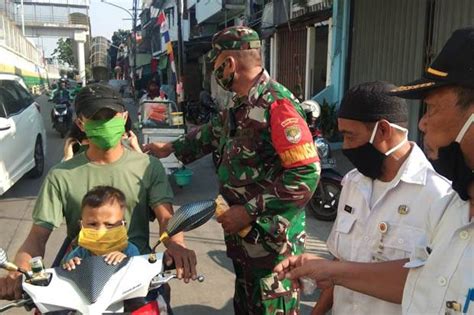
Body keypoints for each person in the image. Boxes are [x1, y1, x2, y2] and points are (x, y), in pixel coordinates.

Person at [274, 26, 473, 315]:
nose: (423, 124)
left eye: (431, 108)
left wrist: (333, 271)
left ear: (381, 130)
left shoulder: (436, 193)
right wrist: (328, 271)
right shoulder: (452, 209)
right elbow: (417, 278)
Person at [144, 26, 320, 314]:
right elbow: (210, 133)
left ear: (230, 64)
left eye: (216, 65)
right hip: (246, 242)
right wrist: (170, 149)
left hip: (271, 243)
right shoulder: (241, 105)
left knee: (270, 306)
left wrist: (247, 211)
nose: (216, 72)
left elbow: (305, 174)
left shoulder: (277, 104)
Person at [0, 84, 197, 301]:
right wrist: (17, 271)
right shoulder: (61, 175)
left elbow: (166, 218)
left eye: (109, 116)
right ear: (81, 123)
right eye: (96, 118)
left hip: (138, 277)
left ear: (123, 118)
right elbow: (37, 237)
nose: (104, 123)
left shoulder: (149, 167)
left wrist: (177, 246)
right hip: (78, 278)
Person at [311, 81, 452, 315]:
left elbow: (431, 286)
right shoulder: (353, 183)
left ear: (384, 130)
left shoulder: (438, 196)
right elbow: (338, 267)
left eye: (350, 136)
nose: (345, 146)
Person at [62, 186, 140, 270]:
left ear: (122, 225)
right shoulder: (79, 253)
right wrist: (71, 266)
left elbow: (139, 274)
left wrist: (127, 262)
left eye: (109, 224)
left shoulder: (130, 251)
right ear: (81, 225)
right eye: (93, 224)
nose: (100, 230)